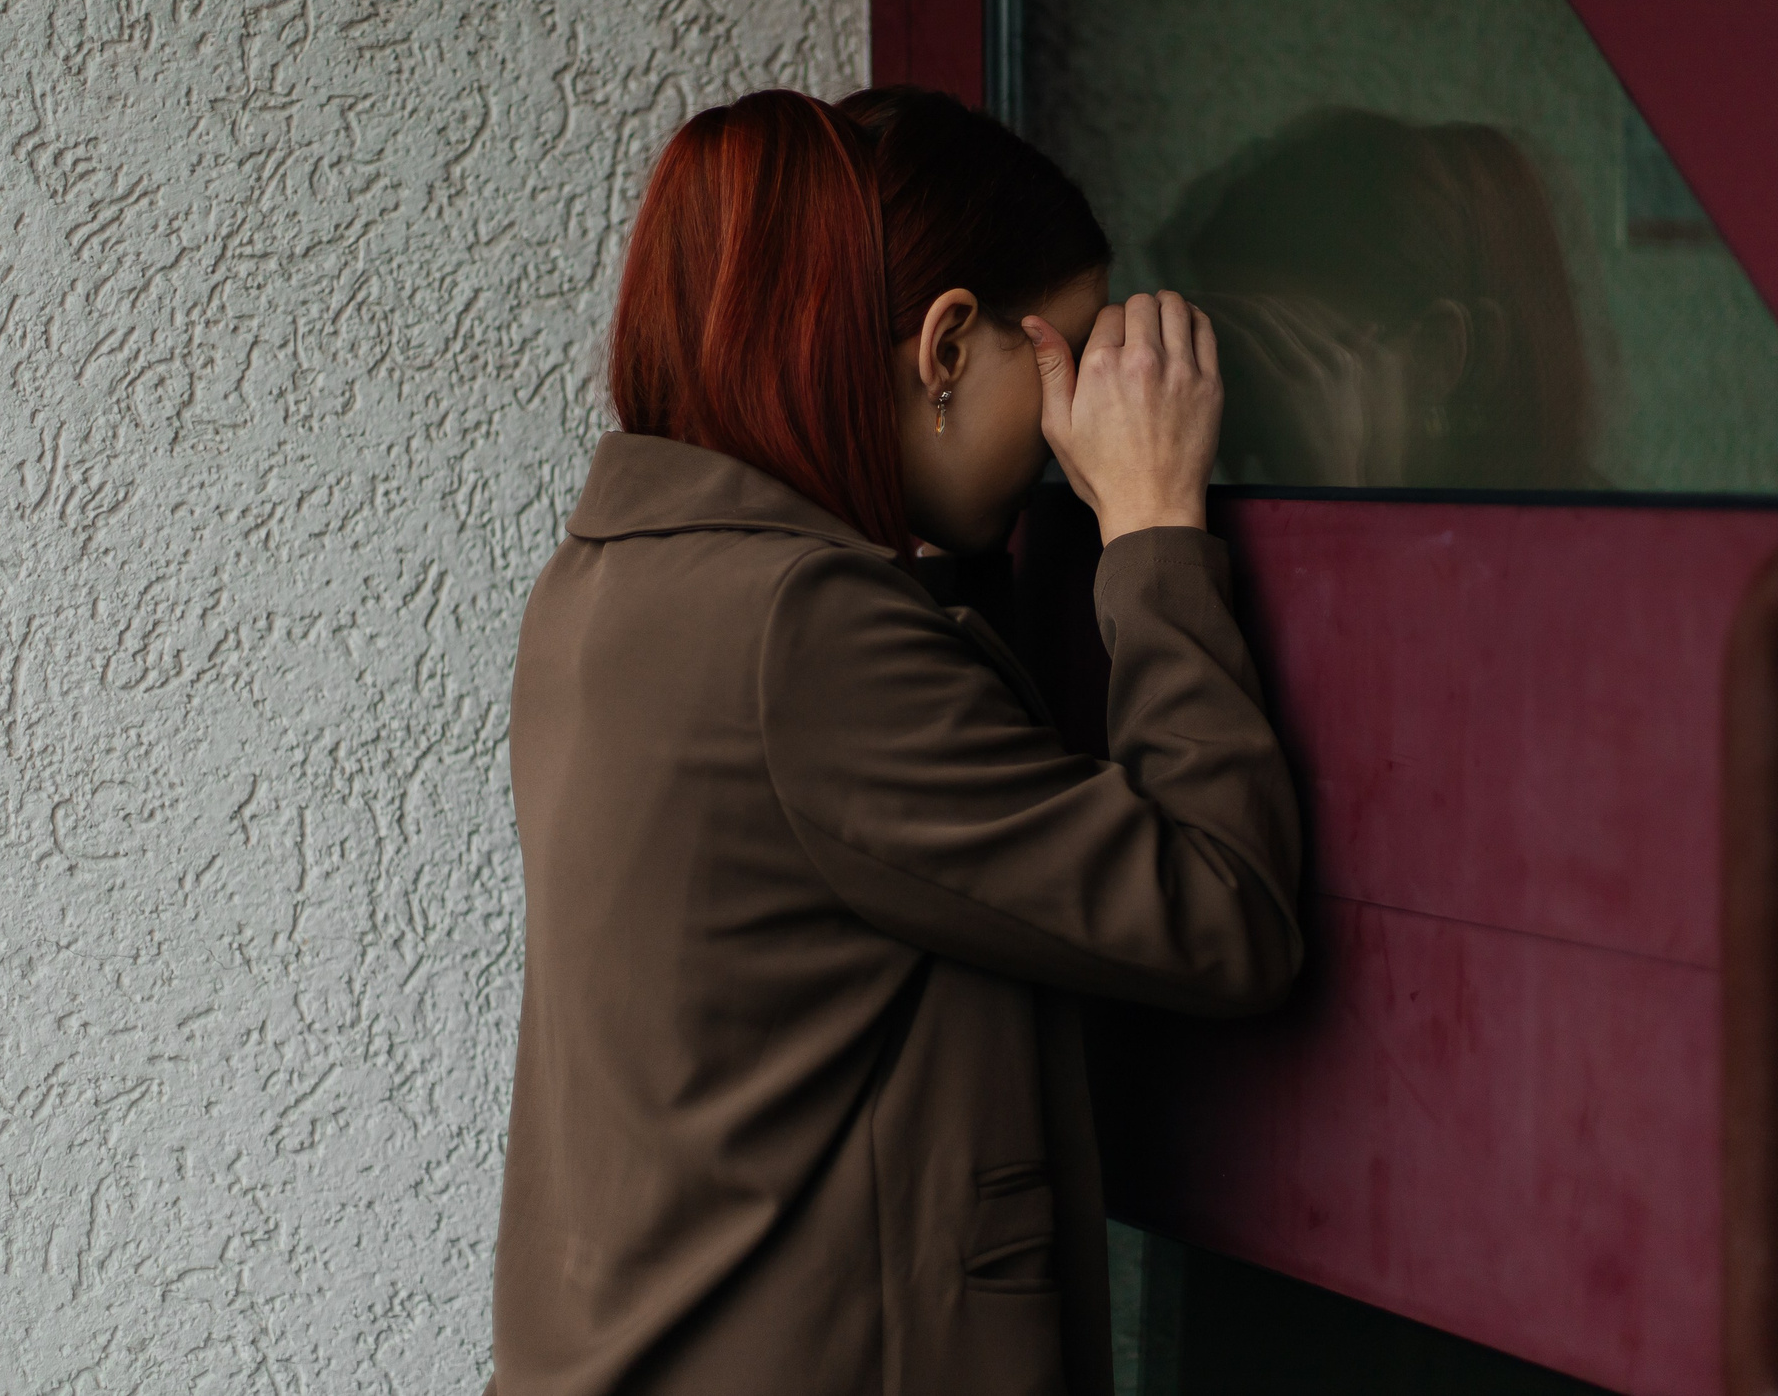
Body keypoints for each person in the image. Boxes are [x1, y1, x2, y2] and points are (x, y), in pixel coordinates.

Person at [487, 87, 1303, 1396]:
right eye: (1066, 359)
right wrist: (1153, 529)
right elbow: (1222, 908)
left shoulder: (615, 580)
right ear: (944, 346)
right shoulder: (800, 630)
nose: (1067, 432)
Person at [1154, 108, 1597, 491]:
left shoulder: (1586, 557)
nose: (1237, 420)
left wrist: (1335, 499)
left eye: (1285, 357)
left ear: (1436, 354)